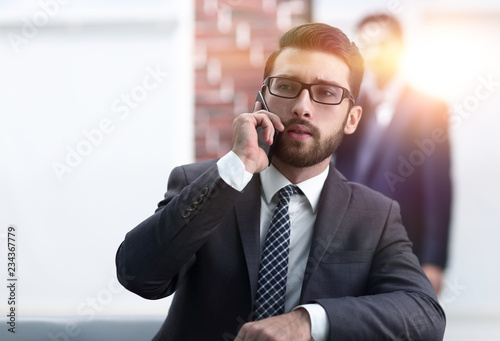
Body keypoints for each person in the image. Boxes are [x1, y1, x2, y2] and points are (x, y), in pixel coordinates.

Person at [116, 23, 445, 340]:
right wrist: (237, 168)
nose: (302, 108)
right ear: (261, 101)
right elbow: (139, 276)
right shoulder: (204, 182)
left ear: (352, 118)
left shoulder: (375, 215)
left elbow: (424, 315)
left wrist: (309, 321)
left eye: (326, 93)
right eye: (286, 87)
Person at [334, 14, 452, 294]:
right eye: (366, 46)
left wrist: (434, 262)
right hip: (348, 246)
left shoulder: (429, 108)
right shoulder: (347, 107)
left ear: (399, 47)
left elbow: (438, 190)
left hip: (403, 246)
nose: (374, 54)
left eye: (382, 44)